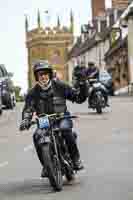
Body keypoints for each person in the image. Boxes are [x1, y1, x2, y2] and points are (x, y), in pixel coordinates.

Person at [20, 60, 87, 177]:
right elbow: (28, 109)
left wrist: (83, 84)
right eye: (40, 74)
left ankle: (76, 159)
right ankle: (46, 166)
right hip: (44, 120)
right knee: (37, 136)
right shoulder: (32, 93)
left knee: (65, 130)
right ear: (37, 77)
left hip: (61, 116)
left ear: (50, 74)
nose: (43, 76)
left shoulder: (60, 86)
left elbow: (78, 97)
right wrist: (25, 120)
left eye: (45, 73)